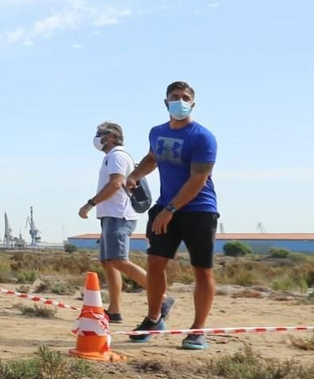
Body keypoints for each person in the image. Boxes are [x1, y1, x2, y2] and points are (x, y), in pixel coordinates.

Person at [125, 82, 218, 351]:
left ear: (193, 104)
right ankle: (154, 319)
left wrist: (171, 210)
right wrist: (135, 175)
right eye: (175, 97)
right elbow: (152, 157)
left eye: (185, 97)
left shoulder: (203, 137)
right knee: (155, 264)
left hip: (199, 210)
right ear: (166, 102)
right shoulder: (157, 132)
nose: (180, 101)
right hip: (165, 208)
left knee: (202, 270)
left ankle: (197, 330)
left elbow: (198, 179)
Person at [78, 121, 163, 324]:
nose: (97, 138)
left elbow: (116, 183)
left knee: (119, 260)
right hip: (111, 215)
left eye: (100, 134)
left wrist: (90, 204)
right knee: (109, 262)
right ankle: (114, 310)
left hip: (119, 215)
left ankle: (163, 298)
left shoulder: (117, 156)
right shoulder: (112, 157)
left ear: (111, 137)